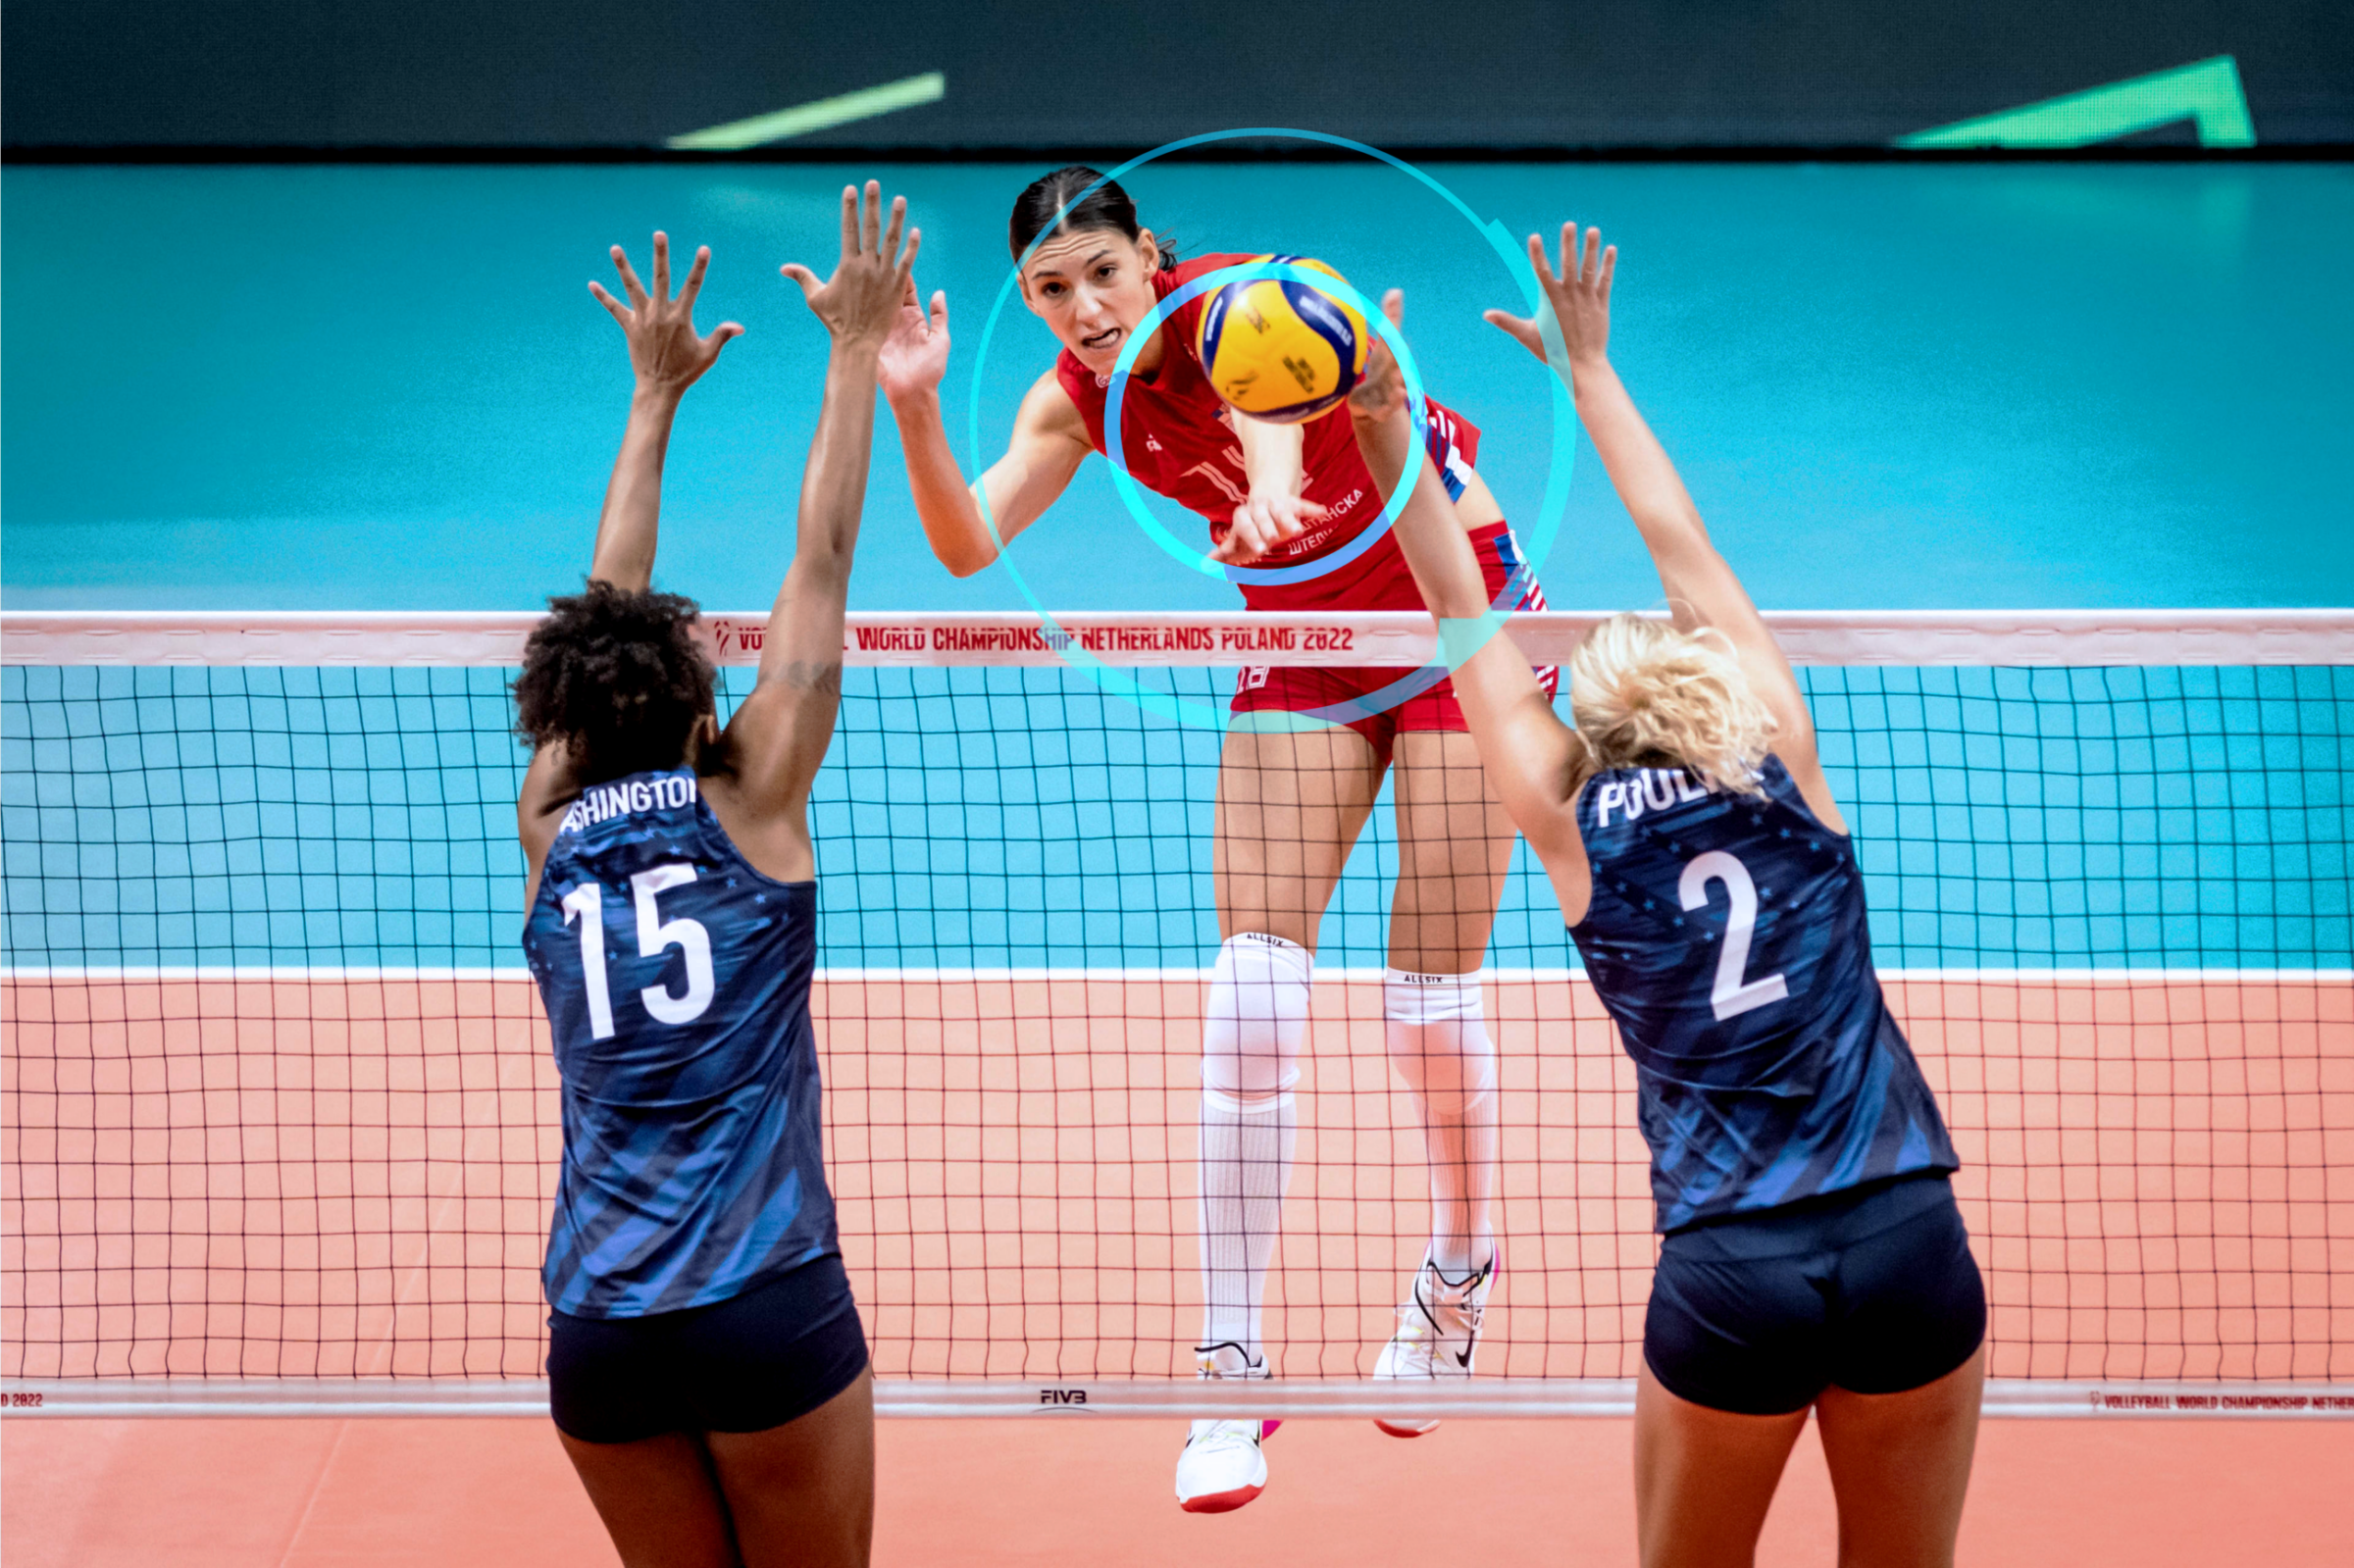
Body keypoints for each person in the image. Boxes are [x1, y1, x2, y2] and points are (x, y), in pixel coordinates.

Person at [878, 165, 1549, 1511]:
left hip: (1452, 617)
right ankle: (1229, 1362)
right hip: (1300, 649)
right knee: (1252, 990)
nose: (1081, 307)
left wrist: (1275, 480)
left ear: (1151, 256)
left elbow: (1276, 391)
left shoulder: (1245, 302)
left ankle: (1458, 1268)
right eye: (1050, 289)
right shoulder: (1070, 399)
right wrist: (908, 402)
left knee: (1423, 997)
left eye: (1102, 274)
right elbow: (965, 545)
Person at [1345, 228, 1985, 1567]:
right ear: (1710, 692)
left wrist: (1388, 430)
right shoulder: (1783, 763)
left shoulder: (1571, 823)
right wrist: (1589, 369)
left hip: (1731, 1273)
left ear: (1584, 715)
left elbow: (1461, 615)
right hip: (1907, 1237)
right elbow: (1680, 539)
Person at [513, 184, 917, 1568]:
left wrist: (651, 398)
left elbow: (604, 609)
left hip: (600, 1332)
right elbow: (825, 556)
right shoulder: (753, 803)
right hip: (766, 1304)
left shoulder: (552, 818)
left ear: (566, 713)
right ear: (703, 704)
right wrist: (855, 349)